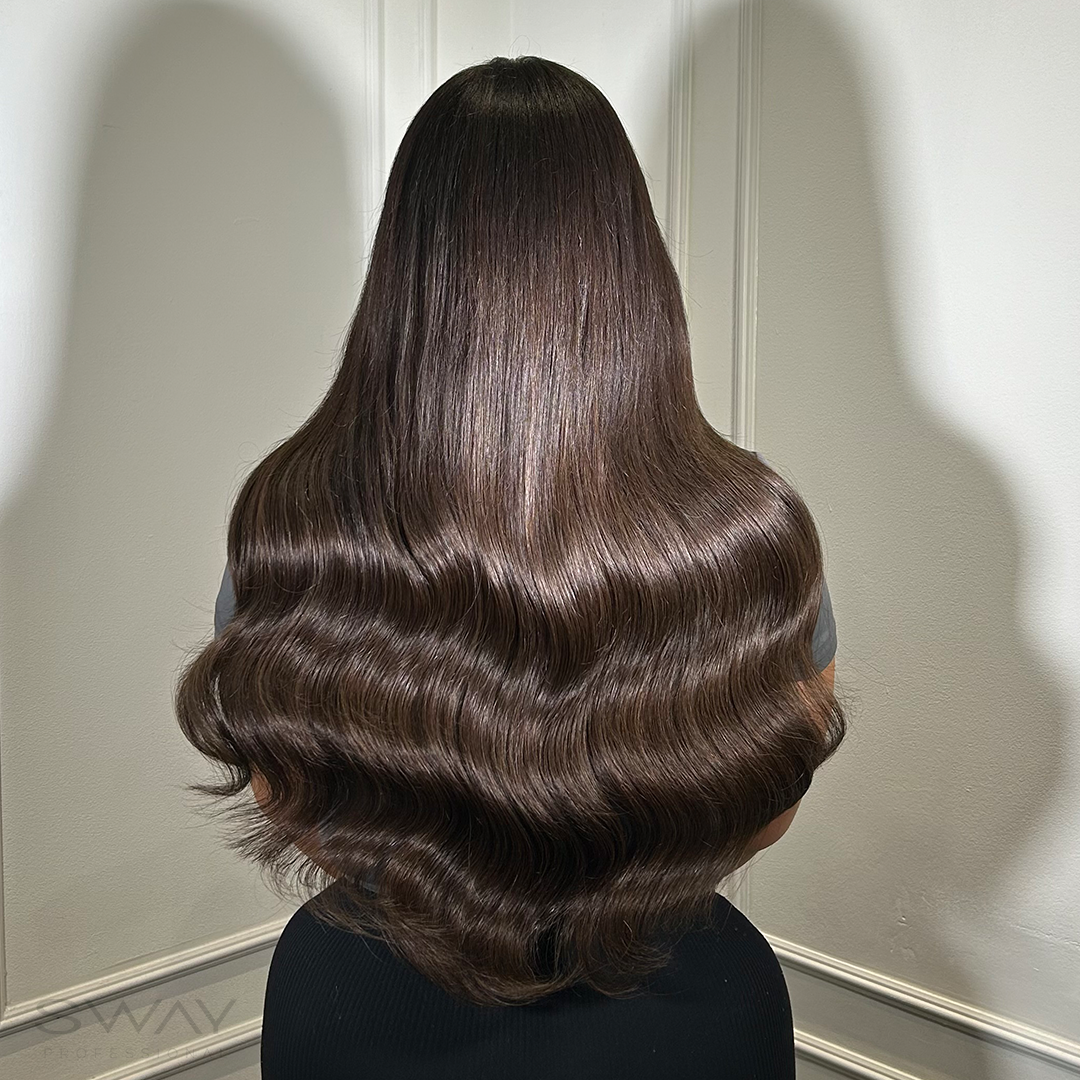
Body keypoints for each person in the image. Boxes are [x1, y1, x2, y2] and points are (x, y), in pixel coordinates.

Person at [175, 54, 845, 1079]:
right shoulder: (747, 531)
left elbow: (288, 796)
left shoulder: (292, 527)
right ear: (631, 268)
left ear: (408, 269)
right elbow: (768, 808)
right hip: (686, 1006)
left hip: (363, 1006)